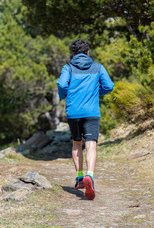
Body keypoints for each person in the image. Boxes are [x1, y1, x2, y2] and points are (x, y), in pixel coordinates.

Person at [57, 39, 114, 200]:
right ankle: (90, 175)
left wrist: (64, 95)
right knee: (91, 145)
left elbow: (61, 84)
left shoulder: (68, 68)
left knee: (77, 144)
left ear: (73, 54)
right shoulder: (98, 67)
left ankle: (80, 177)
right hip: (92, 112)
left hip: (73, 112)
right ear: (88, 53)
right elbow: (109, 86)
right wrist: (98, 92)